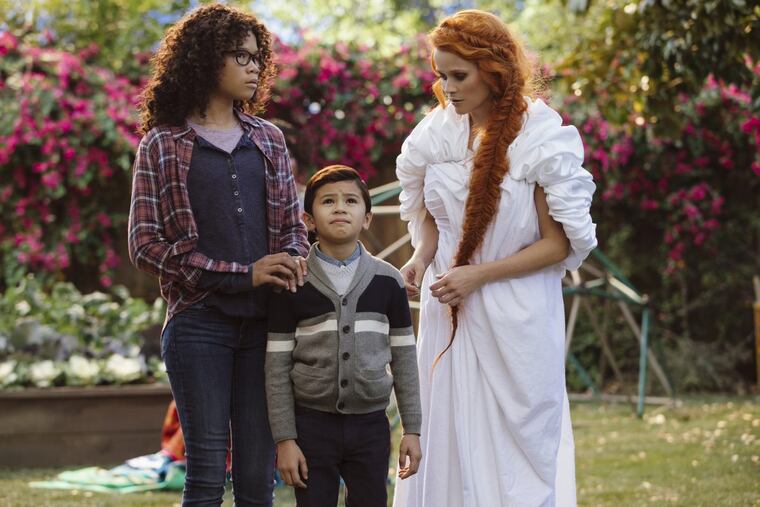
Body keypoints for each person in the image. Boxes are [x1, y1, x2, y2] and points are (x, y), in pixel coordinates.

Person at [391, 10, 597, 507]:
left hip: (514, 314)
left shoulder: (538, 138)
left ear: (493, 70)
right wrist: (421, 256)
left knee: (513, 455)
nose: (448, 88)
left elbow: (558, 245)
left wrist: (478, 275)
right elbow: (433, 217)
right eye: (441, 75)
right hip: (447, 310)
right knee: (447, 436)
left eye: (459, 75)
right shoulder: (437, 133)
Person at [127, 4, 309, 506]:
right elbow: (145, 245)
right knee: (206, 475)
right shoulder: (162, 144)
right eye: (240, 56)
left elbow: (293, 229)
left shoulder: (269, 140)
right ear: (206, 59)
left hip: (266, 329)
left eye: (257, 58)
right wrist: (241, 274)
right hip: (198, 324)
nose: (254, 67)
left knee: (256, 480)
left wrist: (293, 259)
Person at [265, 165, 423, 507]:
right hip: (311, 425)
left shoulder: (389, 282)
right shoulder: (292, 284)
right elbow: (276, 368)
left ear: (367, 218)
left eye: (350, 201)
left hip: (371, 426)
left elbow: (405, 360)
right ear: (308, 220)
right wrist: (285, 440)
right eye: (328, 201)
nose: (340, 208)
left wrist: (412, 429)